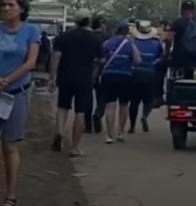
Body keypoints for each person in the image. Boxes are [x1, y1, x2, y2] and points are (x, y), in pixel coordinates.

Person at [0, 0, 40, 206]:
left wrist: (5, 81)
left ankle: (11, 195)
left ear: (21, 9)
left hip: (16, 93)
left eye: (11, 4)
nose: (6, 8)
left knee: (10, 146)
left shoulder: (31, 31)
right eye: (3, 4)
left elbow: (31, 62)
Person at [48, 9, 103, 157]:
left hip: (65, 77)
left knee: (62, 107)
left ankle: (59, 132)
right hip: (84, 79)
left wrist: (52, 78)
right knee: (80, 112)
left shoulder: (64, 37)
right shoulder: (95, 39)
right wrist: (93, 76)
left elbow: (56, 58)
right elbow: (99, 61)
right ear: (89, 21)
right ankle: (75, 147)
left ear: (75, 21)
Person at [100, 23, 141, 144]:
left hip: (109, 75)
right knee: (124, 105)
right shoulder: (130, 44)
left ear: (116, 30)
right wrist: (129, 64)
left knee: (110, 106)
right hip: (125, 76)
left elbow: (101, 59)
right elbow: (138, 60)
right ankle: (121, 132)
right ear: (127, 32)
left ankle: (109, 135)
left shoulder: (107, 43)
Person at [129, 21, 163, 133]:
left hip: (135, 74)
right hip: (150, 73)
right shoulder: (156, 43)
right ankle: (144, 116)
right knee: (148, 100)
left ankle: (132, 126)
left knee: (134, 102)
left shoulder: (132, 42)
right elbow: (160, 57)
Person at [169, 0, 196, 79]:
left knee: (176, 86)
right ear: (194, 11)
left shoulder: (177, 22)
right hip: (195, 64)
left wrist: (167, 53)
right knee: (192, 87)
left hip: (179, 62)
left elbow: (168, 39)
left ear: (182, 11)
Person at [89, 16, 108, 134]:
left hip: (87, 70)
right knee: (102, 97)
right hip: (103, 71)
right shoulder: (107, 37)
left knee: (87, 97)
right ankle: (98, 113)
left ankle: (86, 123)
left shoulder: (88, 37)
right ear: (102, 25)